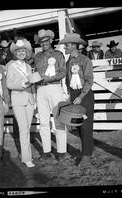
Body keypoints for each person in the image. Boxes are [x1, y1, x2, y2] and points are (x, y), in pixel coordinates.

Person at [59, 33, 94, 167]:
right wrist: (70, 94)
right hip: (74, 95)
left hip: (84, 96)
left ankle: (86, 156)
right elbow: (68, 81)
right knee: (78, 126)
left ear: (73, 45)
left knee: (86, 126)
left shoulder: (85, 60)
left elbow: (89, 80)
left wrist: (80, 96)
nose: (65, 47)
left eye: (66, 45)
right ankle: (87, 151)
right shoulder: (68, 62)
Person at [34, 29, 68, 162]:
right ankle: (46, 151)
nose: (44, 43)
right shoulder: (37, 57)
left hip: (54, 88)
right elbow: (36, 74)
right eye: (41, 42)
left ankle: (61, 151)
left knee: (59, 119)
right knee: (43, 121)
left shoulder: (58, 54)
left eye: (46, 41)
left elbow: (63, 72)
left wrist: (49, 79)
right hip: (41, 90)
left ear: (51, 41)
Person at [6, 39, 35, 168]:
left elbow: (32, 82)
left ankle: (26, 154)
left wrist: (34, 98)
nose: (21, 53)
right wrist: (22, 84)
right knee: (23, 129)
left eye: (23, 50)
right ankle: (26, 158)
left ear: (26, 52)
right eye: (19, 51)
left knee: (27, 129)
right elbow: (9, 83)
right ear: (15, 53)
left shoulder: (28, 66)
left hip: (29, 99)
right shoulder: (11, 65)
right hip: (18, 98)